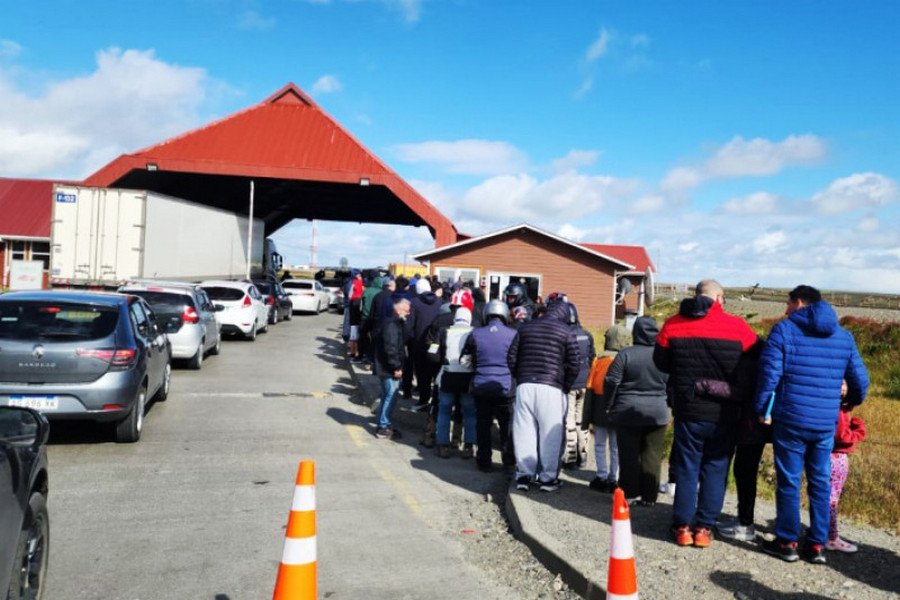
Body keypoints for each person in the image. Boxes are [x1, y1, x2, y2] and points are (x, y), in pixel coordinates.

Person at [756, 285, 869, 565]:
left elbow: (769, 375)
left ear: (800, 302)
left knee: (789, 481)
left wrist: (762, 409)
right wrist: (847, 400)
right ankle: (817, 545)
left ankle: (787, 542)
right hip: (824, 424)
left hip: (791, 419)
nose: (785, 309)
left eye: (788, 303)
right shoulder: (844, 336)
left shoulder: (784, 331)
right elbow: (861, 382)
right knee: (820, 481)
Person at [654, 279, 760, 549]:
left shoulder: (672, 324)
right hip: (725, 411)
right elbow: (758, 355)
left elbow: (660, 362)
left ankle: (682, 527)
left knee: (687, 468)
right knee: (716, 468)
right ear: (720, 298)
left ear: (696, 296)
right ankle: (703, 528)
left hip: (689, 409)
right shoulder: (738, 327)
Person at [508, 300, 580, 492]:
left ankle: (524, 475)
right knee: (551, 435)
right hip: (552, 387)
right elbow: (575, 364)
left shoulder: (526, 328)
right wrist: (565, 386)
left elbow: (511, 357)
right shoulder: (566, 332)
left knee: (524, 432)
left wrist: (519, 377)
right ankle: (548, 479)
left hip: (525, 386)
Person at [605, 316, 669, 506]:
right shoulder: (664, 356)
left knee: (629, 455)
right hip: (657, 412)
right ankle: (650, 497)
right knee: (653, 455)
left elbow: (611, 381)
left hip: (627, 410)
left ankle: (630, 494)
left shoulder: (625, 354)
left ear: (636, 333)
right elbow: (673, 381)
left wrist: (610, 404)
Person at [464, 300, 518, 472]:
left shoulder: (475, 333)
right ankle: (508, 462)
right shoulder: (513, 334)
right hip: (505, 387)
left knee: (483, 425)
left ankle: (484, 461)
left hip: (481, 386)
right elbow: (516, 361)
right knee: (506, 426)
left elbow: (465, 359)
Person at [584, 323, 630, 492]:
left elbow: (589, 386)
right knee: (616, 446)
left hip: (599, 406)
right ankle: (614, 478)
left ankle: (601, 476)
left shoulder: (599, 359)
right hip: (619, 406)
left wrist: (586, 416)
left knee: (600, 444)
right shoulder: (626, 358)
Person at [826, 381, 867, 553]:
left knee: (825, 494)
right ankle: (831, 537)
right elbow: (842, 436)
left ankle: (821, 531)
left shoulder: (828, 405)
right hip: (837, 456)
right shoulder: (840, 410)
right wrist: (859, 430)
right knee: (832, 499)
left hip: (826, 454)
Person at [435, 307, 477, 459]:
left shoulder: (445, 331)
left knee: (444, 411)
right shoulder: (474, 332)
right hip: (467, 377)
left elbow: (436, 354)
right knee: (470, 413)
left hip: (448, 374)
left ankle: (443, 445)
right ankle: (468, 446)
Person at [562, 302, 595, 469]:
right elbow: (592, 357)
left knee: (568, 421)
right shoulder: (587, 335)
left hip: (570, 384)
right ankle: (583, 457)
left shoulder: (565, 335)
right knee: (581, 421)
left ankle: (570, 457)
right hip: (585, 383)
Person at [373, 298, 411, 439]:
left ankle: (385, 423)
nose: (408, 313)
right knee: (390, 395)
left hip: (387, 366)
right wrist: (396, 367)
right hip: (388, 368)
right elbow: (391, 348)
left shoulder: (395, 323)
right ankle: (383, 426)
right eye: (407, 311)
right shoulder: (391, 325)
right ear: (398, 309)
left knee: (388, 395)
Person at [407, 278, 442, 410]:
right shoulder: (440, 302)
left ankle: (423, 400)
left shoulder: (414, 303)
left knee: (423, 375)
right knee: (436, 374)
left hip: (419, 344)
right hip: (437, 343)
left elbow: (410, 324)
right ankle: (436, 402)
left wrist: (408, 339)